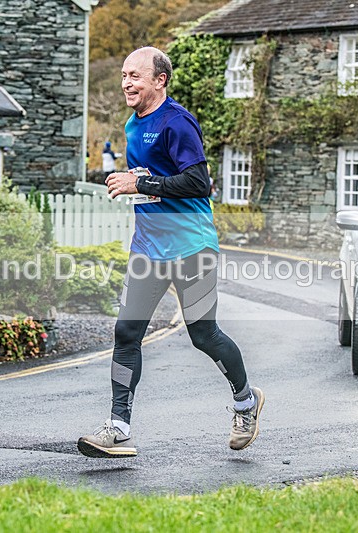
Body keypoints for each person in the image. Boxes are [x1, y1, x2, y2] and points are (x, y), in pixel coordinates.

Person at [77, 46, 264, 459]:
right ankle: (119, 427)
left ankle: (246, 402)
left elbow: (198, 183)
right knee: (127, 332)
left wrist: (140, 185)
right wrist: (134, 179)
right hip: (148, 248)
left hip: (192, 248)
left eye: (135, 76)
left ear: (159, 80)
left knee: (204, 335)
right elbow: (152, 180)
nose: (126, 82)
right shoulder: (131, 125)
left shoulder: (177, 123)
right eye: (124, 75)